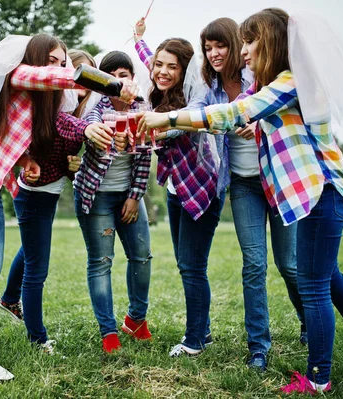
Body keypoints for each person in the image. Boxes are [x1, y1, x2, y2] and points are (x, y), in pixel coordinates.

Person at [137, 9, 343, 394]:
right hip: (314, 194)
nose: (244, 51)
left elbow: (235, 112)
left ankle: (318, 379)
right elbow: (239, 108)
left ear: (270, 41)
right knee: (327, 276)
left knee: (313, 283)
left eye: (250, 42)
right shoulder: (275, 84)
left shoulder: (292, 82)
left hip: (323, 191)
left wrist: (169, 119)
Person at [0, 33, 134, 379]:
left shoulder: (36, 103)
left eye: (63, 61)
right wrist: (113, 86)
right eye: (53, 60)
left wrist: (26, 159)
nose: (59, 68)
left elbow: (11, 135)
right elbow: (57, 77)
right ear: (36, 60)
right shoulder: (21, 75)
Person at [0, 36, 137, 354]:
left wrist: (75, 163)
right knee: (38, 267)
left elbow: (72, 154)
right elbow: (62, 126)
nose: (82, 83)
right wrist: (83, 134)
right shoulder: (54, 102)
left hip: (49, 191)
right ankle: (38, 338)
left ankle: (8, 298)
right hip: (33, 192)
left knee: (31, 250)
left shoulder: (85, 108)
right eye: (77, 73)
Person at [198, 16, 306, 371]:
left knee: (288, 264)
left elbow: (278, 108)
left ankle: (309, 319)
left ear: (238, 44)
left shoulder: (259, 74)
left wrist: (261, 122)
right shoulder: (210, 88)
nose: (214, 53)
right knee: (254, 264)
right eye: (208, 48)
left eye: (221, 46)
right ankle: (258, 347)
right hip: (243, 184)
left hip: (277, 179)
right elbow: (200, 115)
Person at [133, 20, 223, 357]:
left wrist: (157, 131)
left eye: (173, 66)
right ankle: (203, 332)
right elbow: (147, 59)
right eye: (160, 64)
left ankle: (195, 340)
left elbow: (192, 117)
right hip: (176, 188)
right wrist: (142, 41)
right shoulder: (160, 85)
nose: (163, 71)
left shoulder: (194, 96)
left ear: (184, 70)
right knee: (188, 264)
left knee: (192, 265)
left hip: (203, 187)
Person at [74, 51, 153, 353]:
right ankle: (108, 331)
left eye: (126, 74)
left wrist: (135, 197)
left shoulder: (144, 109)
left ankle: (136, 319)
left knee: (142, 256)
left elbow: (145, 158)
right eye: (113, 76)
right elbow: (96, 128)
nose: (121, 81)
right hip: (96, 196)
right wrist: (110, 135)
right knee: (101, 261)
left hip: (129, 195)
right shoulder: (97, 110)